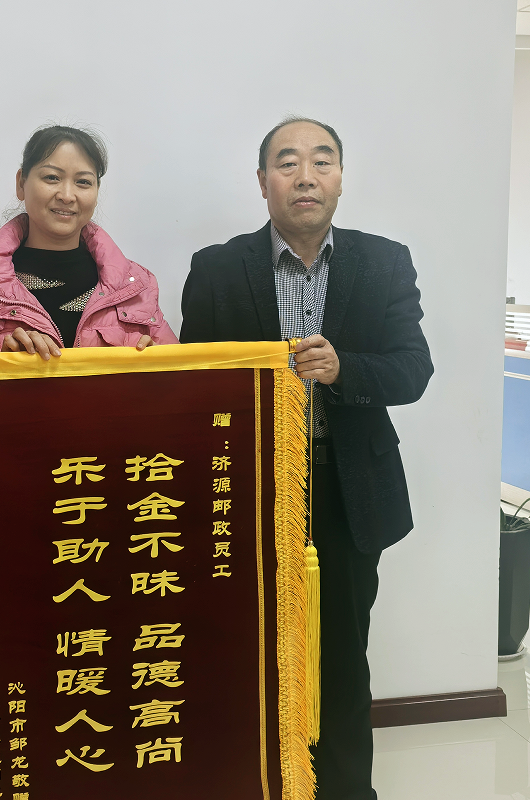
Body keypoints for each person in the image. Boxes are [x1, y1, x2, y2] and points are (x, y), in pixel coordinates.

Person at [180, 117, 433, 800]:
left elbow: (413, 370)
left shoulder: (384, 261)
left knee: (342, 656)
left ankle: (346, 791)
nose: (305, 176)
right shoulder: (217, 268)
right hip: (251, 491)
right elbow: (193, 383)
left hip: (349, 491)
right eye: (287, 162)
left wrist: (344, 369)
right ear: (263, 182)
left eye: (322, 161)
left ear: (341, 179)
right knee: (253, 653)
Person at [0, 125, 177, 357]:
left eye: (83, 182)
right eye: (52, 177)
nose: (67, 195)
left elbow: (183, 384)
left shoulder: (135, 288)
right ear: (21, 184)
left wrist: (159, 371)